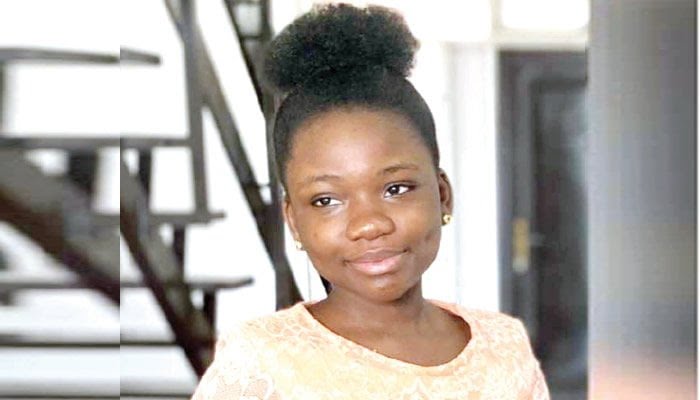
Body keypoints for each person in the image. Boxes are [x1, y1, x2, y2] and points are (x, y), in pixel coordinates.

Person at [191, 4, 549, 399]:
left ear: (442, 195)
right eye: (326, 199)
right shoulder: (260, 361)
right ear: (294, 222)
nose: (369, 224)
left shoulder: (504, 349)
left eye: (396, 189)